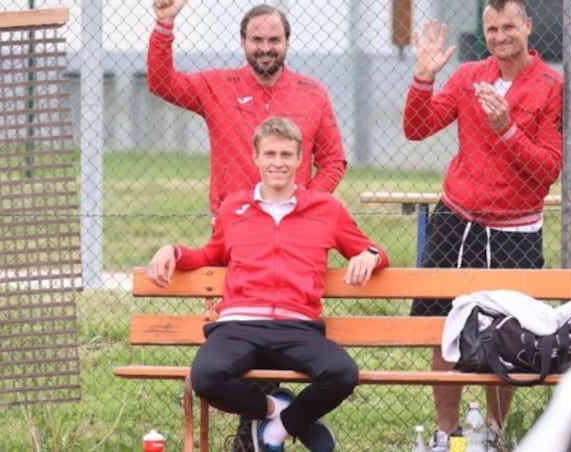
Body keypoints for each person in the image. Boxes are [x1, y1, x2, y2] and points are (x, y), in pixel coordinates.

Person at [145, 117, 389, 452]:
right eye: (270, 154)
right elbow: (213, 252)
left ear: (300, 159)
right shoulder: (235, 207)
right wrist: (172, 251)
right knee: (206, 377)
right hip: (239, 324)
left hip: (297, 326)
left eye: (286, 155)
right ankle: (279, 409)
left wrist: (370, 255)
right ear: (256, 158)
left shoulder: (326, 209)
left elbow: (372, 249)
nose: (278, 163)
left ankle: (276, 432)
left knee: (343, 373)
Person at [402, 0, 564, 450]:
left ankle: (490, 434)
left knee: (507, 336)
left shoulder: (551, 85)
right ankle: (446, 433)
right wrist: (423, 77)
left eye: (509, 26)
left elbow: (548, 169)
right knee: (442, 329)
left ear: (528, 27)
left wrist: (507, 128)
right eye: (492, 29)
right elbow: (417, 128)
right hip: (455, 221)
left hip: (514, 229)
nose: (500, 36)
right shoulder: (469, 75)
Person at [149, 0, 347, 215]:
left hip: (293, 223)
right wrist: (164, 24)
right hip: (234, 222)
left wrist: (305, 203)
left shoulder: (312, 93)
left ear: (287, 42)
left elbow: (333, 161)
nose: (265, 48)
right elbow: (162, 84)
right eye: (257, 40)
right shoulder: (216, 87)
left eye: (274, 40)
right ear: (243, 41)